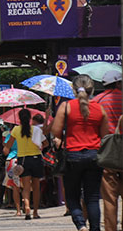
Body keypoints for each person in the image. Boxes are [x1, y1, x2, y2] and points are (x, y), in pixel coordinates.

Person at [52, 74, 109, 231]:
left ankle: (81, 225)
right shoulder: (99, 108)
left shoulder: (66, 106)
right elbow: (105, 135)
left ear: (74, 89)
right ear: (92, 90)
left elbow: (56, 132)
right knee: (92, 198)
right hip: (94, 156)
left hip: (72, 156)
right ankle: (95, 228)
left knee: (72, 196)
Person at [5, 108, 48, 220]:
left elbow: (8, 146)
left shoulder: (16, 130)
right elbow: (46, 143)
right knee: (36, 187)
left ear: (19, 118)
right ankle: (35, 212)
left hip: (23, 160)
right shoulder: (36, 130)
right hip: (36, 159)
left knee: (26, 187)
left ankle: (27, 206)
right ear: (30, 118)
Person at [92, 70, 122, 231]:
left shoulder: (97, 101)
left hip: (107, 150)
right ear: (118, 83)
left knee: (109, 196)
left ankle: (111, 228)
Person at [2, 124, 23, 216]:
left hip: (13, 160)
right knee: (26, 186)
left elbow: (5, 150)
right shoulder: (28, 133)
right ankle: (27, 205)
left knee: (15, 187)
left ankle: (18, 210)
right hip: (25, 159)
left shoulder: (11, 135)